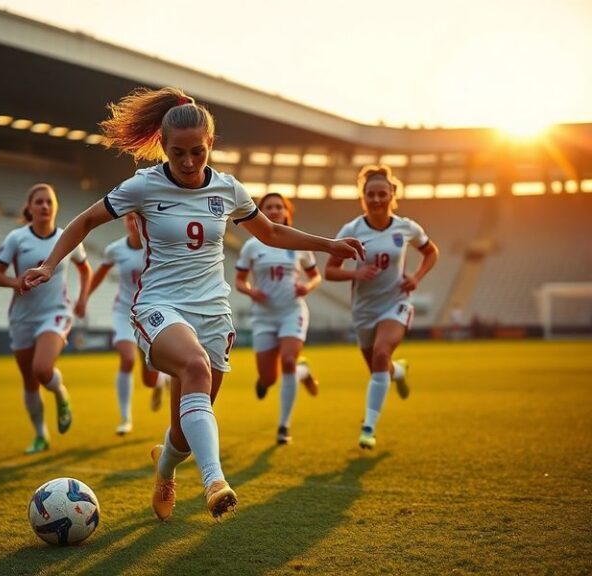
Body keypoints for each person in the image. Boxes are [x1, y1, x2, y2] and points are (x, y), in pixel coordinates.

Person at [22, 87, 364, 521]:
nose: (187, 162)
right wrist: (51, 265)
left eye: (197, 152)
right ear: (163, 147)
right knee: (196, 368)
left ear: (210, 146)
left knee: (185, 429)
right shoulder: (143, 186)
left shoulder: (228, 188)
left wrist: (328, 243)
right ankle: (215, 483)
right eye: (178, 152)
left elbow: (272, 233)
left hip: (213, 313)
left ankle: (165, 467)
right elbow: (87, 220)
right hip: (159, 306)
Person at [324, 165, 439, 450]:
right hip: (363, 310)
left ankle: (368, 428)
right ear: (363, 196)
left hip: (395, 304)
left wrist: (416, 277)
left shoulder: (406, 227)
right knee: (379, 366)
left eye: (381, 194)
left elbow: (430, 252)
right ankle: (398, 372)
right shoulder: (352, 229)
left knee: (381, 354)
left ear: (392, 194)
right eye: (370, 194)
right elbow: (330, 271)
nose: (376, 199)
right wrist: (356, 274)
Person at [0, 184, 93, 454]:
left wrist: (82, 299)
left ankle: (60, 394)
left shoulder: (67, 238)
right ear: (30, 207)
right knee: (29, 380)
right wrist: (16, 281)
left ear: (55, 207)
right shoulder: (17, 238)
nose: (45, 206)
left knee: (42, 369)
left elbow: (85, 269)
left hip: (56, 312)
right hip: (22, 317)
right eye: (39, 202)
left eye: (49, 202)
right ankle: (40, 435)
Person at [235, 193, 322, 445]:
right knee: (268, 378)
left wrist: (308, 286)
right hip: (263, 316)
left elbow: (316, 276)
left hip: (291, 311)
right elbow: (239, 281)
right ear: (260, 211)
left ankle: (284, 426)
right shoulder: (251, 247)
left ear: (287, 212)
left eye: (278, 207)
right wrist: (251, 290)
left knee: (287, 361)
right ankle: (302, 372)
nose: (274, 211)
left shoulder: (298, 244)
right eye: (268, 207)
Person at [87, 213, 169, 436]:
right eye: (129, 218)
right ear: (124, 221)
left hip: (150, 315)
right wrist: (84, 298)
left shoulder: (156, 246)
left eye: (138, 218)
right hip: (124, 312)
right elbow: (99, 274)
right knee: (127, 358)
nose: (133, 223)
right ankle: (125, 418)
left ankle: (161, 381)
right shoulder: (115, 249)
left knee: (149, 380)